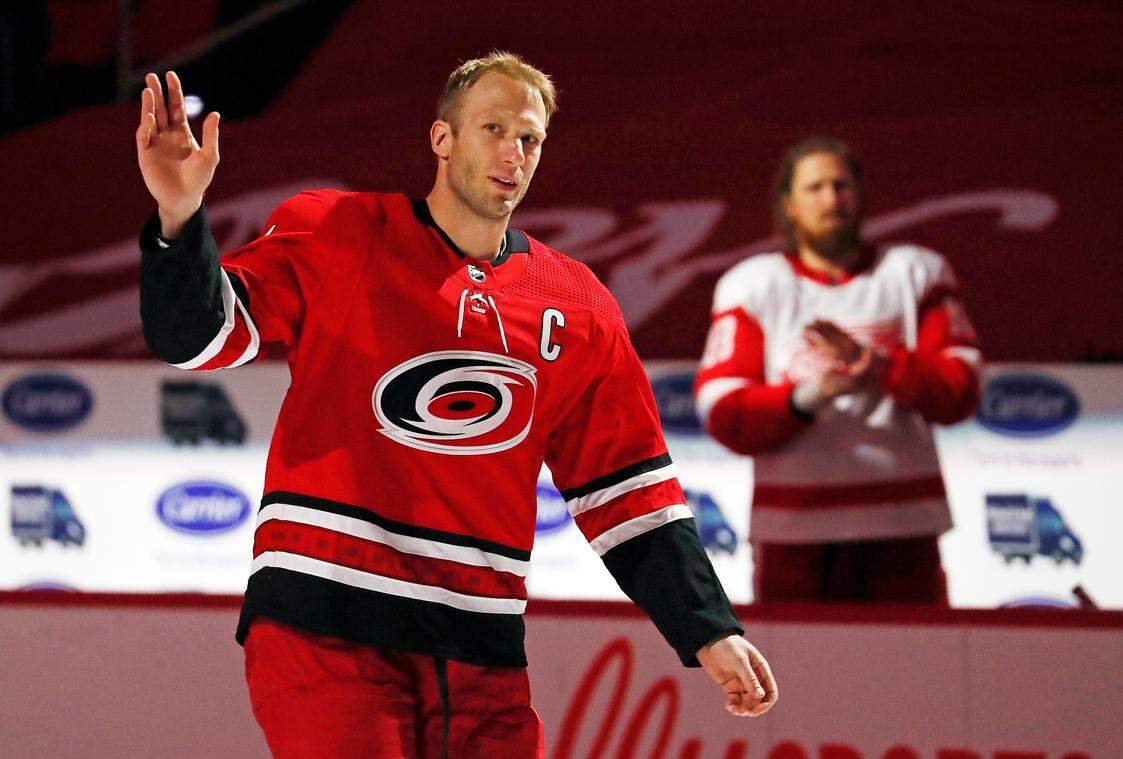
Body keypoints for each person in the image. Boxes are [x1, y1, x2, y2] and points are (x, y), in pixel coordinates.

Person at [135, 53, 776, 758]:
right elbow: (202, 341)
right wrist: (179, 216)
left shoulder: (580, 307)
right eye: (493, 128)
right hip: (326, 623)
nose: (512, 152)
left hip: (480, 649)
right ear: (442, 138)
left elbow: (628, 491)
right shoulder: (339, 232)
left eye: (529, 138)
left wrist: (708, 629)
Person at [694, 135, 982, 605]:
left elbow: (961, 389)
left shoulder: (917, 272)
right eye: (815, 188)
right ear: (788, 203)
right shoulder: (752, 285)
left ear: (861, 195)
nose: (831, 198)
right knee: (799, 678)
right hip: (795, 535)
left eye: (841, 185)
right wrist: (814, 393)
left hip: (904, 528)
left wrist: (882, 368)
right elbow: (725, 414)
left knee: (914, 675)